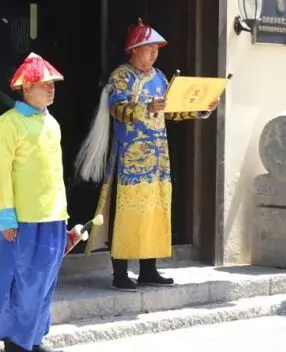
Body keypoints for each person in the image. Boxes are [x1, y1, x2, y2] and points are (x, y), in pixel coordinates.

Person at [74, 18, 218, 291]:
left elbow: (172, 111)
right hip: (128, 159)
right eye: (149, 48)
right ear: (134, 48)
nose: (154, 53)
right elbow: (118, 109)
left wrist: (202, 107)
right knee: (126, 214)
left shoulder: (160, 77)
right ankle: (120, 273)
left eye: (156, 49)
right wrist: (146, 107)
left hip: (157, 159)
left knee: (154, 212)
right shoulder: (121, 76)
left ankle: (148, 269)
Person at [0, 52, 68, 352]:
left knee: (44, 283)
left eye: (52, 83)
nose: (51, 89)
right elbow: (0, 173)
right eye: (43, 84)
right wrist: (6, 217)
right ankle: (16, 342)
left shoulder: (53, 123)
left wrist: (62, 215)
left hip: (53, 217)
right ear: (26, 87)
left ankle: (34, 339)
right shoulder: (7, 124)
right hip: (23, 218)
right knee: (20, 283)